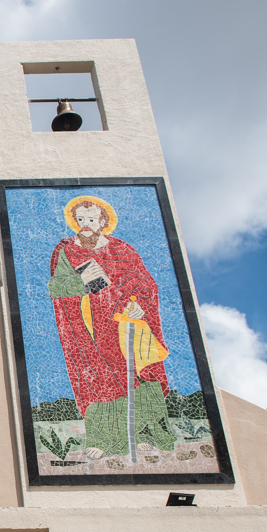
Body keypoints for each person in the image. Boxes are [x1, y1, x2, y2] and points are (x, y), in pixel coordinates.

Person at [46, 195, 174, 459]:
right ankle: (102, 440)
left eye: (91, 219)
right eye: (80, 219)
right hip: (88, 328)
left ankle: (143, 435)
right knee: (97, 379)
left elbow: (146, 286)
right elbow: (56, 287)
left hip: (126, 325)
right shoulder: (66, 251)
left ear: (103, 221)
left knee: (137, 377)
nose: (85, 225)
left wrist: (142, 309)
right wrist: (82, 280)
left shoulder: (123, 250)